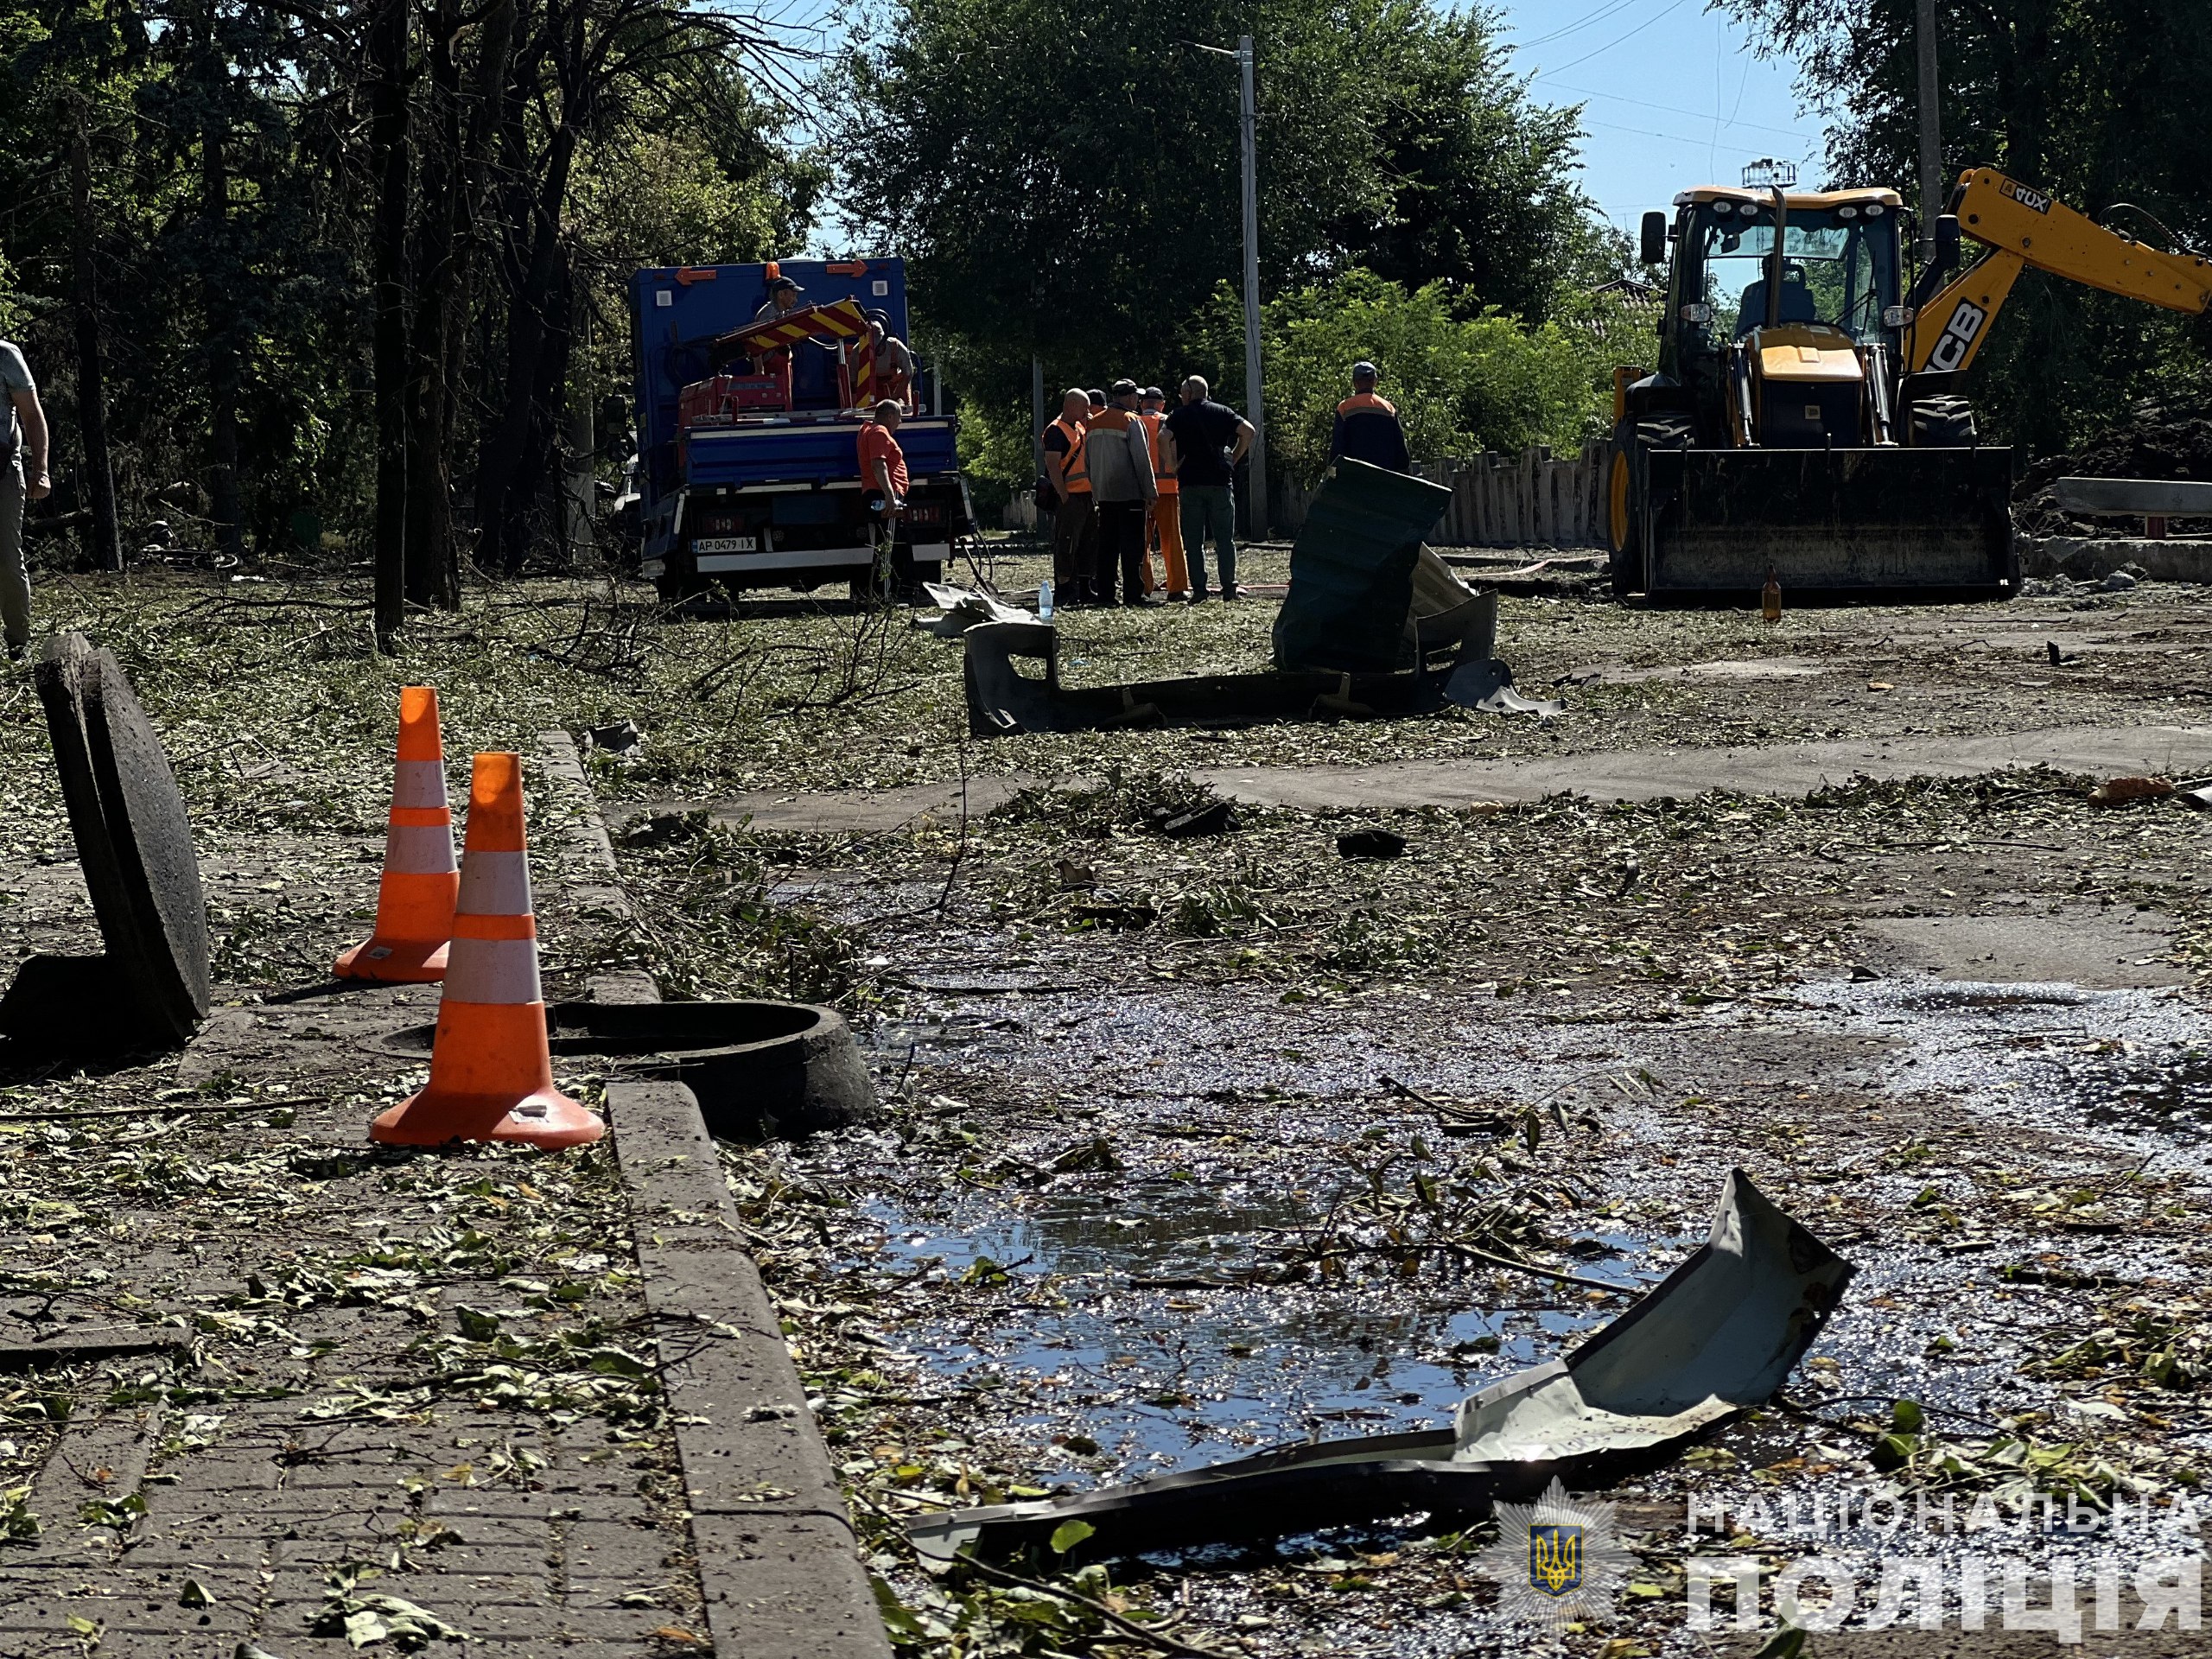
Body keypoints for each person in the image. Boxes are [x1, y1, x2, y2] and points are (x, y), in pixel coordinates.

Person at [1162, 374, 1252, 601]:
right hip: (1220, 483)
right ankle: (1229, 588)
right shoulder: (1223, 411)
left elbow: (1162, 438)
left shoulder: (1178, 415)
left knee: (1193, 541)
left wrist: (1172, 466)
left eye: (1183, 393)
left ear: (1190, 393)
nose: (1182, 397)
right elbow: (1248, 431)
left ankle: (1199, 591)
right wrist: (1235, 458)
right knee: (1225, 540)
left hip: (1190, 483)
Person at [1083, 379, 1158, 607]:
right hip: (1130, 494)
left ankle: (1106, 596)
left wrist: (1096, 487)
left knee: (1107, 548)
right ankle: (1133, 595)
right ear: (1130, 397)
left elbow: (1087, 462)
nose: (1138, 400)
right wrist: (1150, 492)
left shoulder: (1094, 423)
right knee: (1132, 547)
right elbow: (1142, 460)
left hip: (1104, 496)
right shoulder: (1131, 421)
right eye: (1136, 396)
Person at [0, 339, 48, 660]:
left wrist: (40, 470)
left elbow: (31, 415)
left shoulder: (5, 355)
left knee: (5, 557)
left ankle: (19, 643)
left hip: (2, 469)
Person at [1042, 389, 1095, 604]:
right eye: (1085, 407)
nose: (1087, 411)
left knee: (1087, 543)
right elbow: (1053, 466)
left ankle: (1084, 588)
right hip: (1070, 497)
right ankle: (1065, 589)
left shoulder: (1080, 427)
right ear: (1072, 405)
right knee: (1067, 543)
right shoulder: (1055, 431)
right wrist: (1063, 496)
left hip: (1086, 495)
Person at [1136, 386, 1188, 599]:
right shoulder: (1170, 421)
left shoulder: (1134, 422)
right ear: (1162, 404)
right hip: (1168, 488)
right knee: (1172, 539)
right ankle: (1176, 587)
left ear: (1142, 403)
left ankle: (1143, 586)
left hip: (1140, 491)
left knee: (1141, 541)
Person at [856, 399, 907, 599]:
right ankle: (887, 595)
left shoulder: (868, 430)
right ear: (889, 416)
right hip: (884, 494)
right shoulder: (879, 432)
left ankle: (890, 593)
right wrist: (889, 497)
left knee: (891, 542)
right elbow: (879, 465)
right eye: (899, 418)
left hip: (880, 493)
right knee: (889, 546)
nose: (900, 423)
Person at [1330, 360, 1410, 473]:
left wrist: (1334, 473)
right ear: (1375, 382)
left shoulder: (1344, 408)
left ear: (1354, 383)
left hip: (1355, 477)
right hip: (1385, 478)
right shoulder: (1388, 409)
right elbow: (1402, 453)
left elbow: (1337, 448)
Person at [865, 310, 918, 409]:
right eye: (871, 346)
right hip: (871, 391)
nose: (875, 350)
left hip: (895, 388)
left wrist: (896, 396)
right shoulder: (857, 352)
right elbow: (853, 383)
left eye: (877, 346)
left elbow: (908, 373)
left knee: (903, 410)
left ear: (884, 339)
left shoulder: (896, 347)